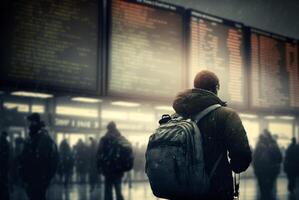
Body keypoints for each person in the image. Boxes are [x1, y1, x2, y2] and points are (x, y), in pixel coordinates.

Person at [171, 70, 252, 200]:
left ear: (196, 87)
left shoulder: (177, 116)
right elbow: (241, 157)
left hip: (181, 190)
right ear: (216, 87)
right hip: (216, 189)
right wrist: (234, 167)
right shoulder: (226, 115)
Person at [19, 113, 59, 200]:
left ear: (35, 123)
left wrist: (45, 178)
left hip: (38, 179)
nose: (29, 125)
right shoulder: (32, 138)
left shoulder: (42, 139)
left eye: (30, 122)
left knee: (38, 197)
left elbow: (45, 160)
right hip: (32, 178)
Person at [97, 121, 133, 200]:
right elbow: (129, 150)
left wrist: (99, 168)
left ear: (108, 128)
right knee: (118, 191)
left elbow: (99, 154)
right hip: (119, 169)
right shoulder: (121, 138)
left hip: (108, 169)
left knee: (108, 191)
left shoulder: (104, 139)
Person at [253, 129, 282, 200]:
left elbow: (254, 159)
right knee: (270, 186)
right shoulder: (274, 145)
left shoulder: (259, 145)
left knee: (262, 187)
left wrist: (256, 168)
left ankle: (264, 196)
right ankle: (268, 195)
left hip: (261, 170)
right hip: (272, 169)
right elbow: (280, 158)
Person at [0, 131, 10, 200]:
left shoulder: (2, 141)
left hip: (2, 163)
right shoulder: (6, 142)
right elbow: (8, 154)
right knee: (4, 178)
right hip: (4, 163)